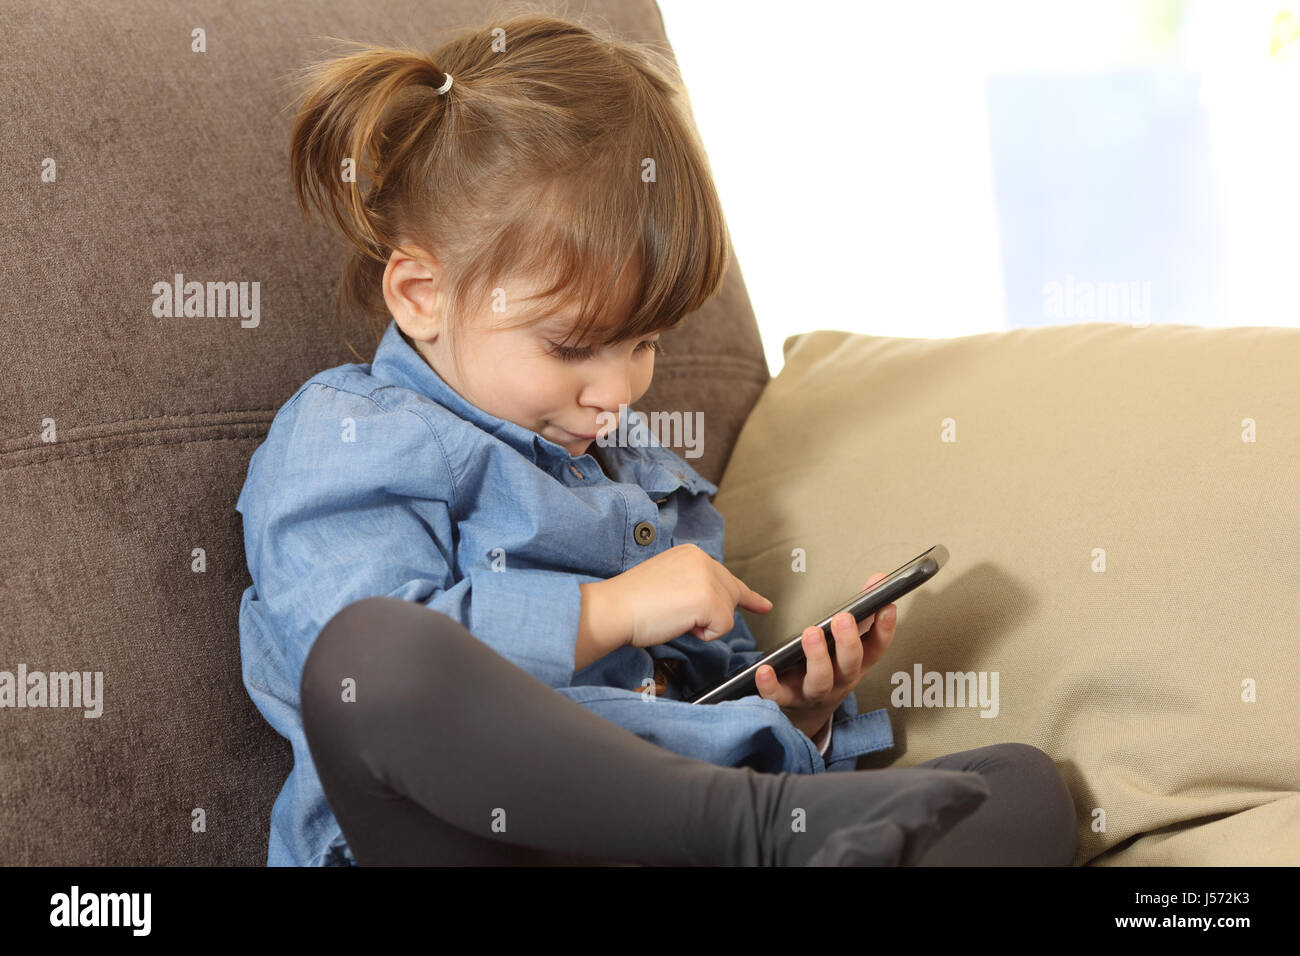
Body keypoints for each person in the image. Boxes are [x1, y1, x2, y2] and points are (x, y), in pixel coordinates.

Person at [235, 11, 1077, 867]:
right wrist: (610, 611)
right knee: (371, 651)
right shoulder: (349, 433)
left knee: (1013, 785)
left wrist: (796, 711)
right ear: (419, 294)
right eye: (569, 347)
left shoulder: (636, 468)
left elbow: (699, 703)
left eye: (643, 344)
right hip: (475, 842)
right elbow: (348, 685)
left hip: (684, 815)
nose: (617, 391)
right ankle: (751, 835)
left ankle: (761, 831)